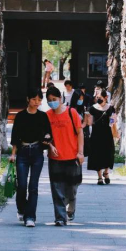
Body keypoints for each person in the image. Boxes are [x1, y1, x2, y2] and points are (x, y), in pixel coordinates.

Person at [10, 88, 56, 227]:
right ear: (28, 99)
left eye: (39, 100)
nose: (37, 102)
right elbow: (15, 137)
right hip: (22, 153)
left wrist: (49, 143)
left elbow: (48, 134)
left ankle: (30, 217)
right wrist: (13, 154)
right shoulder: (20, 116)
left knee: (33, 186)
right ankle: (21, 208)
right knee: (22, 185)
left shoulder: (42, 116)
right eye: (34, 99)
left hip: (37, 153)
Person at [45, 83, 84, 225]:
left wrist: (80, 153)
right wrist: (49, 145)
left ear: (60, 98)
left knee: (72, 188)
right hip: (55, 158)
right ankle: (60, 218)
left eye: (54, 98)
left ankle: (70, 209)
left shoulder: (71, 112)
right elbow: (45, 136)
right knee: (56, 189)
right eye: (49, 100)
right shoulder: (47, 116)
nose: (52, 102)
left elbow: (80, 133)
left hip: (72, 156)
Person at [86, 89, 115, 185]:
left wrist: (112, 122)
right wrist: (87, 117)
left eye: (100, 97)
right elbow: (89, 123)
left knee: (108, 153)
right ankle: (99, 177)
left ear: (106, 97)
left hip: (107, 133)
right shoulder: (92, 108)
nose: (98, 99)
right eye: (97, 97)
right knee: (97, 154)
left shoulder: (111, 108)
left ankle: (106, 172)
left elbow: (113, 121)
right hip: (96, 134)